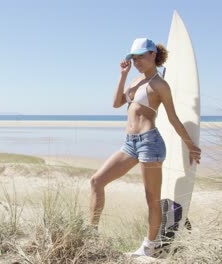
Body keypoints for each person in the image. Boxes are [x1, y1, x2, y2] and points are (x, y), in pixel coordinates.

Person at [89, 38, 201, 257]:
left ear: (153, 55)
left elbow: (173, 118)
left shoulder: (160, 85)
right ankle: (91, 234)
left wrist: (191, 145)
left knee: (151, 198)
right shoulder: (135, 81)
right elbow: (116, 103)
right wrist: (122, 75)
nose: (137, 61)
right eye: (134, 57)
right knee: (96, 181)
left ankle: (149, 247)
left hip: (150, 143)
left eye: (141, 56)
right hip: (130, 144)